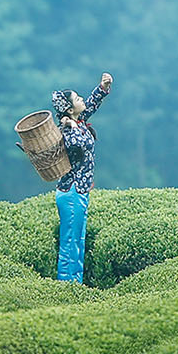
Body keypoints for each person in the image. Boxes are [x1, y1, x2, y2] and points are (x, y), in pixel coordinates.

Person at [51, 72, 112, 283]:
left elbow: (92, 104)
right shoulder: (67, 131)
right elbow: (75, 145)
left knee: (79, 240)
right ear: (69, 109)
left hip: (81, 192)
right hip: (71, 192)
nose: (82, 101)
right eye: (77, 99)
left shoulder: (80, 121)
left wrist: (102, 87)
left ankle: (75, 283)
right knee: (70, 242)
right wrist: (69, 125)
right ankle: (66, 285)